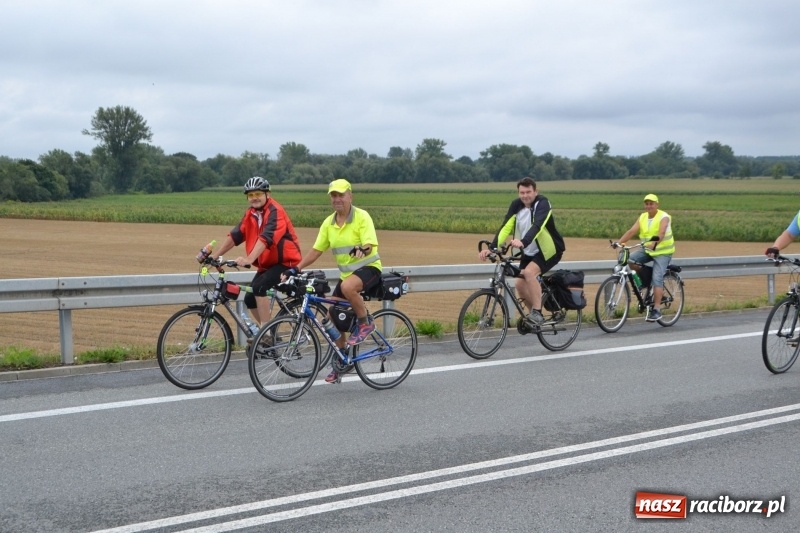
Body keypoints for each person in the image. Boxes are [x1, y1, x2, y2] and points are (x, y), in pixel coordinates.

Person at [285, 178, 382, 383]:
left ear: (350, 196)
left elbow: (370, 244)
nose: (337, 199)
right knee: (330, 318)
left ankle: (365, 324)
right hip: (348, 276)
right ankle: (343, 358)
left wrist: (361, 249)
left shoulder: (361, 216)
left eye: (341, 195)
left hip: (369, 269)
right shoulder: (328, 223)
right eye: (334, 196)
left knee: (347, 287)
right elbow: (316, 251)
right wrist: (296, 268)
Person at [207, 176, 302, 329]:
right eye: (251, 195)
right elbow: (236, 235)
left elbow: (267, 237)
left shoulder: (275, 211)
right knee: (250, 299)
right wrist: (216, 255)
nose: (254, 198)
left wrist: (249, 259)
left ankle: (265, 333)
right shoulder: (251, 214)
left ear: (267, 194)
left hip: (285, 262)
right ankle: (269, 331)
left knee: (259, 287)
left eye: (258, 194)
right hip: (267, 264)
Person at [479, 177, 565, 326]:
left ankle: (537, 312)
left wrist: (523, 242)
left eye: (528, 192)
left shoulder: (543, 203)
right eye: (522, 192)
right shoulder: (516, 205)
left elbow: (538, 225)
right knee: (519, 284)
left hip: (549, 250)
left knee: (529, 273)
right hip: (529, 252)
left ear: (535, 191)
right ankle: (534, 318)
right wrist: (492, 248)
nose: (525, 196)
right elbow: (506, 226)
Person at [614, 193, 675, 322]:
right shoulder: (642, 217)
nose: (648, 206)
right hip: (647, 250)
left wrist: (654, 243)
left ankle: (657, 310)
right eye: (646, 204)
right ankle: (646, 281)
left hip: (663, 252)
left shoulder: (663, 217)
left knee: (657, 278)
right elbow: (631, 231)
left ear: (657, 204)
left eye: (651, 203)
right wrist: (619, 243)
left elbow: (662, 232)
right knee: (629, 259)